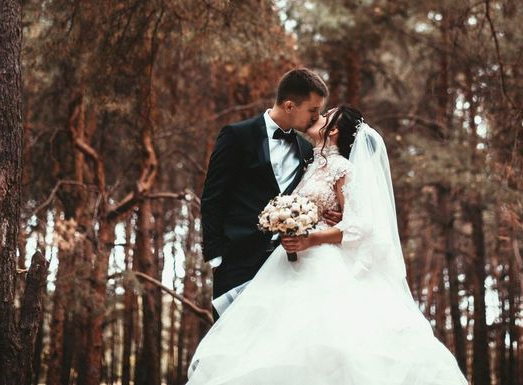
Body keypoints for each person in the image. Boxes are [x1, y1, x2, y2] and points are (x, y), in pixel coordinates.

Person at [188, 105, 469, 385]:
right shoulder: (309, 160)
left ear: (332, 130)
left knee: (325, 344)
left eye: (324, 116)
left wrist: (314, 237)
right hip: (287, 262)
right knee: (275, 343)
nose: (316, 117)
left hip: (322, 263)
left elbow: (360, 226)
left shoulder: (342, 168)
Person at [200, 68, 342, 317]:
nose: (316, 117)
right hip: (237, 262)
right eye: (313, 110)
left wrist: (338, 216)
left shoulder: (306, 149)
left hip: (287, 265)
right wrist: (217, 258)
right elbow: (213, 197)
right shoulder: (237, 135)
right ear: (289, 106)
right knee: (232, 343)